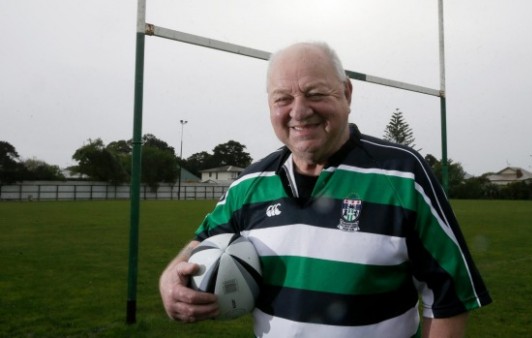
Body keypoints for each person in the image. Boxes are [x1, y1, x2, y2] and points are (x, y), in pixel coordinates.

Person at [159, 41, 491, 337]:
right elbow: (200, 243)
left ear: (346, 93)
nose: (299, 111)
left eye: (315, 93)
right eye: (283, 98)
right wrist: (169, 279)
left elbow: (449, 294)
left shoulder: (403, 175)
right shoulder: (249, 184)